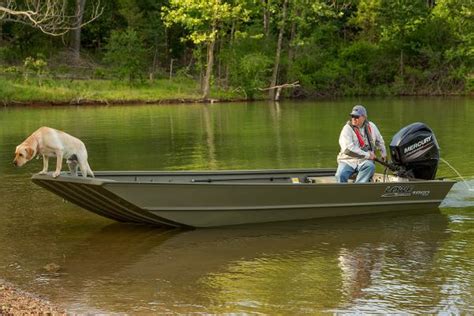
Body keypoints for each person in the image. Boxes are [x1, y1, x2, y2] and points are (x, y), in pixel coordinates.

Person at [335, 105, 387, 183]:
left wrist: (384, 154)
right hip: (348, 160)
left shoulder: (372, 126)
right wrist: (368, 155)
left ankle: (357, 189)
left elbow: (379, 141)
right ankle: (342, 193)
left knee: (370, 166)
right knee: (340, 174)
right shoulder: (347, 129)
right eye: (352, 116)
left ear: (364, 117)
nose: (354, 119)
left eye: (356, 117)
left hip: (364, 161)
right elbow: (347, 150)